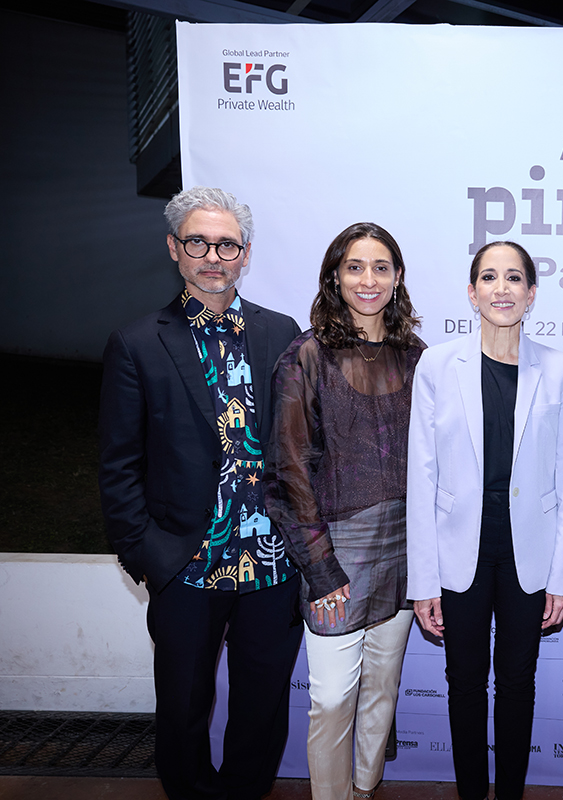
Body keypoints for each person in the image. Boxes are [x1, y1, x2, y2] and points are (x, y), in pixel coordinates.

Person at [98, 186, 302, 800]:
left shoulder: (281, 332)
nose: (213, 256)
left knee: (262, 703)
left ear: (246, 254)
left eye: (227, 245)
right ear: (174, 248)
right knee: (183, 704)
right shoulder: (137, 342)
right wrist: (145, 552)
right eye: (198, 242)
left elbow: (302, 444)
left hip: (272, 561)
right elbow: (119, 464)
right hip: (186, 561)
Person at [407, 240, 563, 800]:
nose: (501, 288)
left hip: (529, 555)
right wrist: (422, 581)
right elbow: (422, 478)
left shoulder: (559, 369)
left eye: (514, 278)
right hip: (458, 550)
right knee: (463, 684)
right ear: (471, 291)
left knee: (516, 683)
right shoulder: (437, 365)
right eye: (489, 277)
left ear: (531, 294)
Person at [265, 222, 425, 800]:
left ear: (397, 277)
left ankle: (365, 787)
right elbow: (288, 469)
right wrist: (321, 566)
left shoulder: (417, 358)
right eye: (354, 267)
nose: (368, 279)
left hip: (405, 552)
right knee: (332, 697)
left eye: (381, 267)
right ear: (335, 276)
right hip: (334, 557)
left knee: (382, 689)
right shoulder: (306, 357)